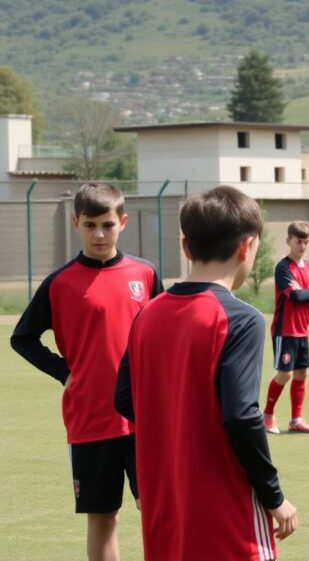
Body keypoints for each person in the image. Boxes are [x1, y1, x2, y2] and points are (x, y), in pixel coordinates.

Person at [114, 186, 298, 560]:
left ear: (185, 247)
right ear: (246, 247)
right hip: (227, 511)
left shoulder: (146, 315)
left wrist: (178, 429)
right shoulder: (240, 319)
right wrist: (274, 496)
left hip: (168, 507)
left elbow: (123, 398)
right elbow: (242, 416)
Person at [10, 183, 162, 561]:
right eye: (90, 224)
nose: (99, 233)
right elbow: (22, 337)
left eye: (107, 224)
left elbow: (166, 332)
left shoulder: (144, 274)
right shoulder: (60, 283)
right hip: (90, 421)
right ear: (75, 222)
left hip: (145, 419)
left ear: (122, 223)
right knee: (103, 517)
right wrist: (64, 372)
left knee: (158, 510)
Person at [263, 220, 309, 434]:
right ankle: (267, 416)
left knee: (301, 373)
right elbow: (297, 295)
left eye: (305, 242)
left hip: (302, 330)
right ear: (288, 241)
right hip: (285, 329)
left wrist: (305, 292)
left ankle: (296, 420)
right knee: (285, 374)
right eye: (298, 241)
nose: (302, 246)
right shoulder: (283, 267)